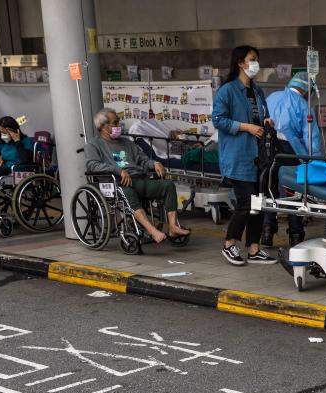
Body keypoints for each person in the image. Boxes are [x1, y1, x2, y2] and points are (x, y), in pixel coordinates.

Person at [84, 108, 190, 244]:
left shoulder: (127, 143)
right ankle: (152, 231)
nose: (118, 126)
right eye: (114, 123)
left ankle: (173, 227)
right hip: (118, 183)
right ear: (103, 127)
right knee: (128, 193)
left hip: (139, 179)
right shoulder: (93, 145)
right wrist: (117, 170)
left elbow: (142, 160)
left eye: (118, 122)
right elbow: (92, 165)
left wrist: (154, 163)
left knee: (168, 185)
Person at [212, 44, 277, 266]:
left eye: (256, 59)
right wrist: (246, 127)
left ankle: (254, 248)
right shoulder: (227, 90)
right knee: (245, 202)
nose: (255, 63)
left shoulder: (257, 91)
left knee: (258, 203)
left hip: (258, 156)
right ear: (240, 63)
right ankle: (229, 243)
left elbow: (263, 115)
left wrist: (266, 122)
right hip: (238, 156)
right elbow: (218, 120)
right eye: (252, 59)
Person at [262, 71, 323, 248]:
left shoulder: (272, 97)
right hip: (290, 151)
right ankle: (295, 234)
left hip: (268, 149)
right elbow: (312, 139)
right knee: (294, 193)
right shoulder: (304, 106)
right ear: (306, 89)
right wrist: (317, 162)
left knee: (269, 191)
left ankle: (267, 231)